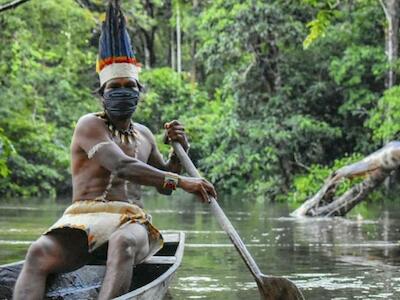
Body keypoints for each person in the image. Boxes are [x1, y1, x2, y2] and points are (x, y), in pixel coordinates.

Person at [13, 1, 216, 299]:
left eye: (128, 85)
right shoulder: (89, 126)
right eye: (114, 87)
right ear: (103, 95)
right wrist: (184, 181)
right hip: (83, 218)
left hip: (132, 221)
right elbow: (121, 166)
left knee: (123, 243)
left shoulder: (144, 134)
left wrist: (178, 152)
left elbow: (164, 183)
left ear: (138, 92)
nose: (122, 91)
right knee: (38, 252)